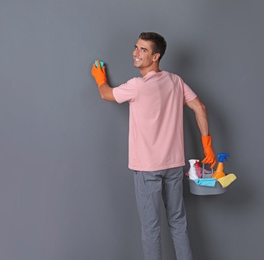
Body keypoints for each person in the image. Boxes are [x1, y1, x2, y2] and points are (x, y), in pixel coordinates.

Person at [91, 32, 216, 260]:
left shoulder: (136, 86)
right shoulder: (175, 81)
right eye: (136, 47)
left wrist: (100, 79)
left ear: (156, 56)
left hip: (148, 168)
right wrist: (207, 146)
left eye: (143, 50)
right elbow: (200, 108)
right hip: (174, 165)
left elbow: (106, 94)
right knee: (178, 223)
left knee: (151, 229)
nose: (135, 53)